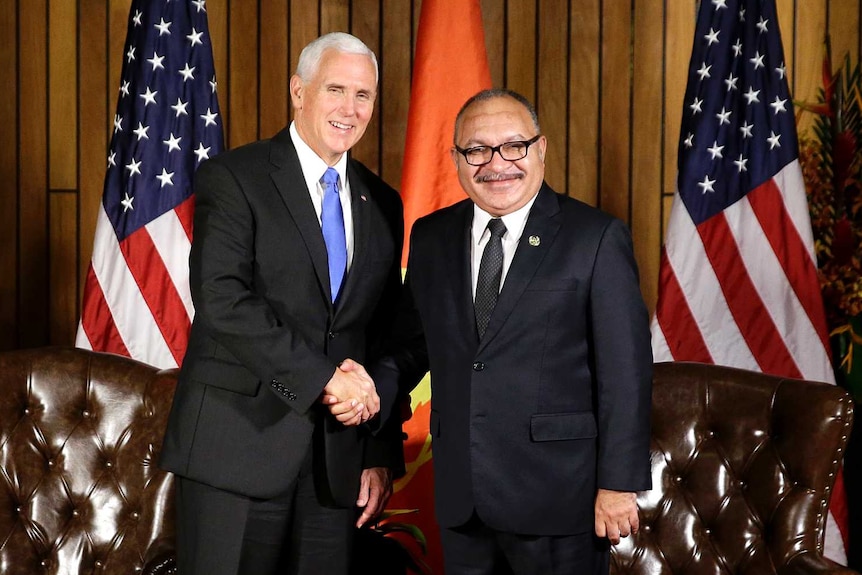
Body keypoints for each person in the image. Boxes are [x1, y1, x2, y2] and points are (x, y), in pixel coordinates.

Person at [344, 88, 653, 574]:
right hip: (462, 497)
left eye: (514, 146)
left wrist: (617, 485)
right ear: (456, 159)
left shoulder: (594, 237)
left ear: (541, 149)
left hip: (559, 499)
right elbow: (408, 349)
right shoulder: (432, 236)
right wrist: (364, 409)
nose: (497, 163)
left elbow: (625, 372)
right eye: (477, 149)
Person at [159, 32, 404, 575]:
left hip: (335, 467)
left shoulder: (382, 201)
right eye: (335, 89)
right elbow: (222, 299)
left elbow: (383, 334)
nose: (350, 109)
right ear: (299, 91)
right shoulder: (235, 177)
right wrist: (323, 378)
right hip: (236, 448)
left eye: (363, 95)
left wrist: (378, 452)